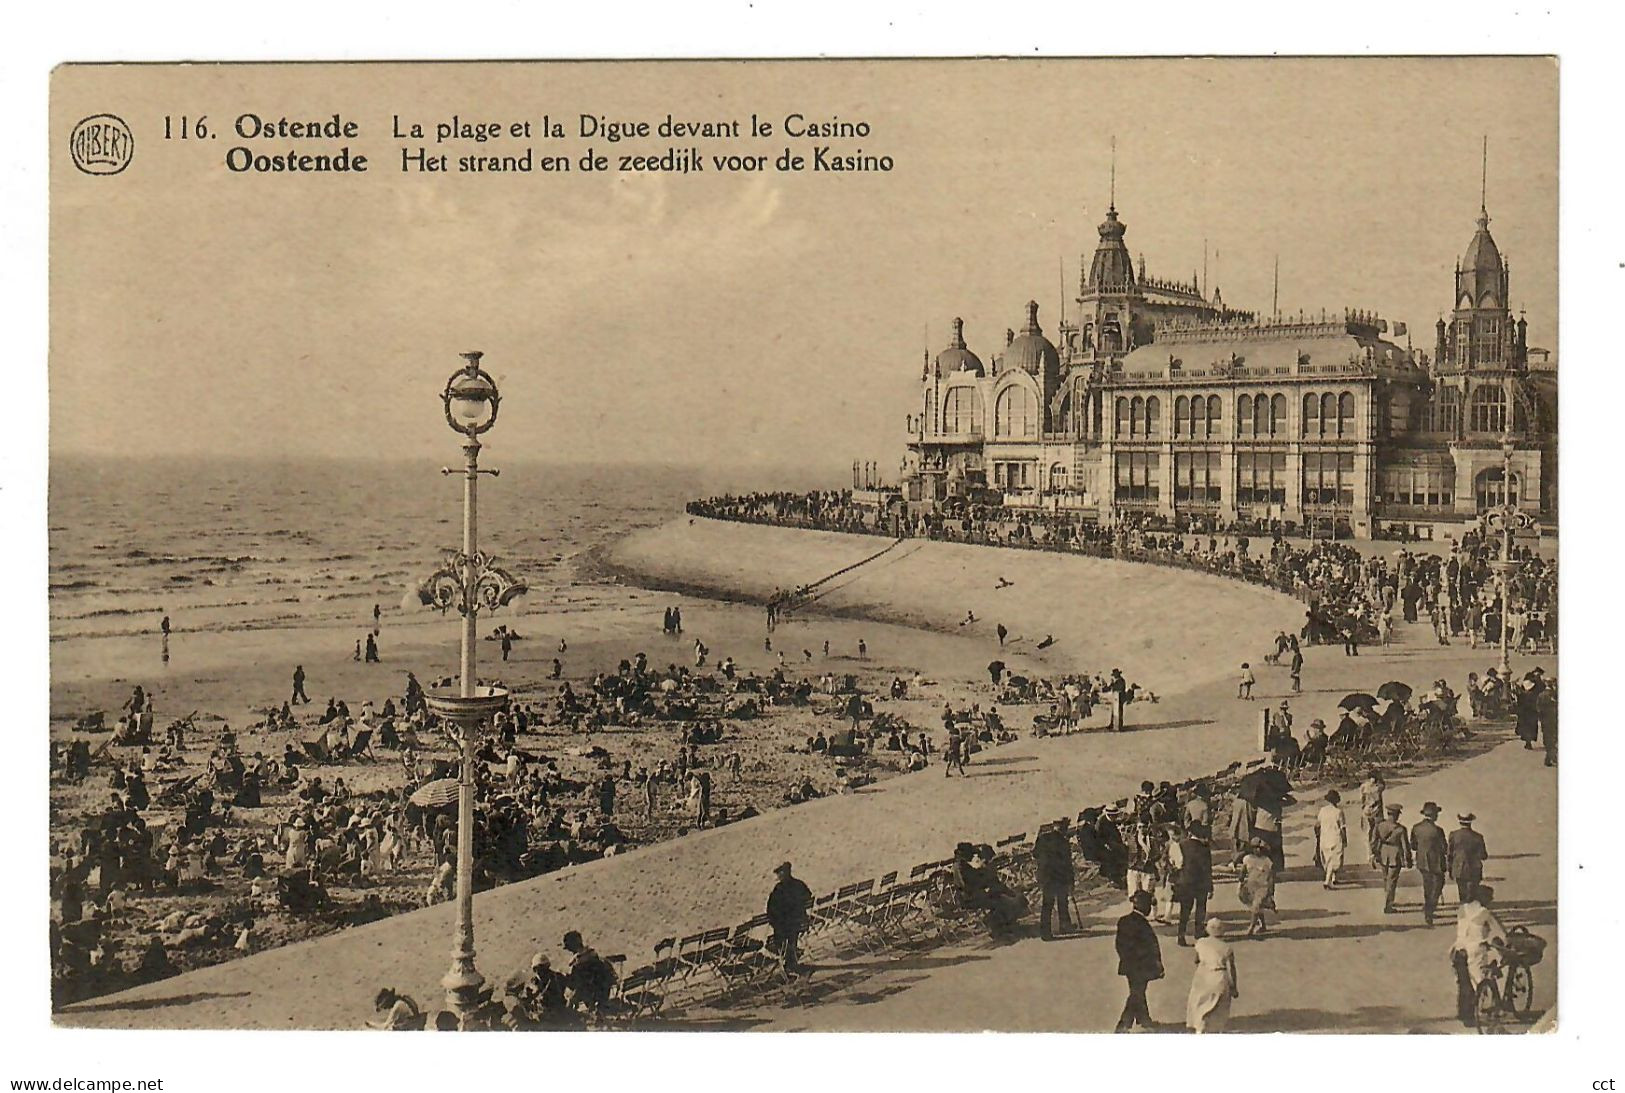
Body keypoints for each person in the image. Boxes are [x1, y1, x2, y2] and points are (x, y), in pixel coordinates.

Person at [1451, 884, 1509, 1027]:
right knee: (1479, 981)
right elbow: (1500, 931)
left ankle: (1463, 1013)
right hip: (1475, 950)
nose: (1492, 899)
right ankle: (1476, 1013)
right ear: (1483, 898)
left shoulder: (1462, 908)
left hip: (1458, 949)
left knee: (1463, 982)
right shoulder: (1485, 912)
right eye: (1490, 897)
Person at [1114, 890, 1163, 1032]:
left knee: (1138, 991)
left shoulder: (1123, 921)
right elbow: (1151, 948)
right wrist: (1157, 964)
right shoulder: (1143, 925)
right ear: (1144, 906)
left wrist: (1124, 958)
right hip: (1141, 965)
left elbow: (1119, 944)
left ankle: (1144, 1019)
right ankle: (1123, 1024)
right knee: (1137, 993)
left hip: (1128, 964)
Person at [1186, 919, 1239, 1034]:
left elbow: (1196, 960)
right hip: (1220, 976)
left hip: (1203, 975)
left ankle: (1199, 1027)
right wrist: (1234, 987)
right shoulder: (1227, 948)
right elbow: (1232, 969)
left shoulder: (1200, 943)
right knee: (1219, 1007)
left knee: (1199, 1002)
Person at [766, 861, 814, 974]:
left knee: (780, 940)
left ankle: (790, 963)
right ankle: (792, 962)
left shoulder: (779, 889)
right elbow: (808, 896)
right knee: (792, 939)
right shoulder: (799, 884)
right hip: (799, 922)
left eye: (779, 874)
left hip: (785, 926)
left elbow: (771, 908)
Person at [1032, 819, 1076, 940]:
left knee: (1047, 904)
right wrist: (1071, 880)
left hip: (1046, 876)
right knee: (1062, 901)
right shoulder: (1064, 842)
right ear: (1064, 829)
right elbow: (1068, 863)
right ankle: (1065, 925)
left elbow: (1035, 854)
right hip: (1060, 876)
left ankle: (1045, 933)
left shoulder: (1042, 838)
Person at [562, 931, 617, 1020]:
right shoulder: (593, 955)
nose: (569, 950)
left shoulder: (579, 962)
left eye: (569, 947)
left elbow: (576, 983)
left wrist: (566, 978)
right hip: (603, 991)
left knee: (570, 1001)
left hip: (591, 994)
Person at [1173, 828, 1213, 946]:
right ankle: (1199, 932)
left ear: (1190, 833)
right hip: (1201, 883)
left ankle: (1181, 935)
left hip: (1186, 882)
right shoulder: (1205, 848)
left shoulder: (1181, 845)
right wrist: (1210, 886)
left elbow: (1177, 863)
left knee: (1184, 910)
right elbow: (1207, 869)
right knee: (1200, 908)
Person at [1374, 803, 1413, 913]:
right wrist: (1408, 860)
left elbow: (1373, 841)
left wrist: (1375, 853)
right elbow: (1405, 846)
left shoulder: (1380, 826)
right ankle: (1388, 905)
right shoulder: (1401, 829)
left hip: (1383, 854)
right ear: (1396, 815)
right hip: (1395, 856)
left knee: (1386, 879)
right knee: (1392, 881)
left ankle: (1388, 900)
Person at [1447, 812, 1489, 904]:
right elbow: (1483, 855)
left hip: (1459, 868)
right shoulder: (1478, 837)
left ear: (1459, 822)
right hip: (1474, 869)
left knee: (1462, 893)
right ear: (1470, 822)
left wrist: (1449, 869)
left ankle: (1464, 910)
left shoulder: (1453, 835)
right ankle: (1471, 912)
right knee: (1472, 894)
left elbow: (1449, 854)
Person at [1240, 839, 1276, 938]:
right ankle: (1263, 925)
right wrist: (1240, 882)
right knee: (1255, 906)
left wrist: (1271, 891)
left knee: (1256, 905)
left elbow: (1271, 877)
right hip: (1251, 885)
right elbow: (1243, 872)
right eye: (1255, 848)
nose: (1258, 850)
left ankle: (1251, 927)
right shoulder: (1247, 859)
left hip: (1262, 886)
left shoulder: (1267, 861)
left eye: (1260, 848)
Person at [1316, 789, 1348, 888]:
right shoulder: (1339, 812)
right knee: (1334, 859)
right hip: (1335, 838)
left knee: (1328, 859)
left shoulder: (1322, 810)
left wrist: (1317, 836)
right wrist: (1345, 839)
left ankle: (1334, 878)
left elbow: (1317, 825)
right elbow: (1342, 828)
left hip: (1324, 837)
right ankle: (1327, 882)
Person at [1359, 768, 1385, 867]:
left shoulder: (1364, 786)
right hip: (1377, 812)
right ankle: (1375, 853)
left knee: (1368, 834)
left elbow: (1361, 799)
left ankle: (1370, 855)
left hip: (1366, 811)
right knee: (1377, 833)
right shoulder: (1379, 787)